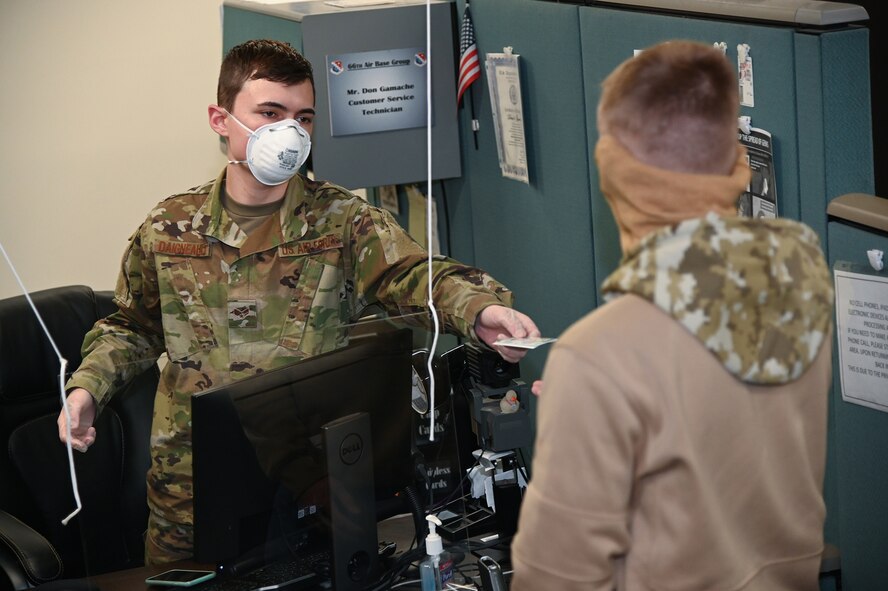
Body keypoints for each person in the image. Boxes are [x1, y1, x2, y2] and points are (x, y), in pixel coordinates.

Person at [58, 39, 539, 565]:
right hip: (191, 488)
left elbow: (413, 276)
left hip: (312, 488)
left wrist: (480, 311)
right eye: (270, 113)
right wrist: (87, 387)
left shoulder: (340, 221)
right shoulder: (170, 226)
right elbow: (132, 326)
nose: (289, 132)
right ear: (221, 119)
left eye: (303, 118)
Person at [511, 40, 833, 590]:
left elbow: (553, 580)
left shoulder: (600, 355)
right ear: (734, 161)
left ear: (614, 172)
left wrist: (585, 393)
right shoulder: (801, 284)